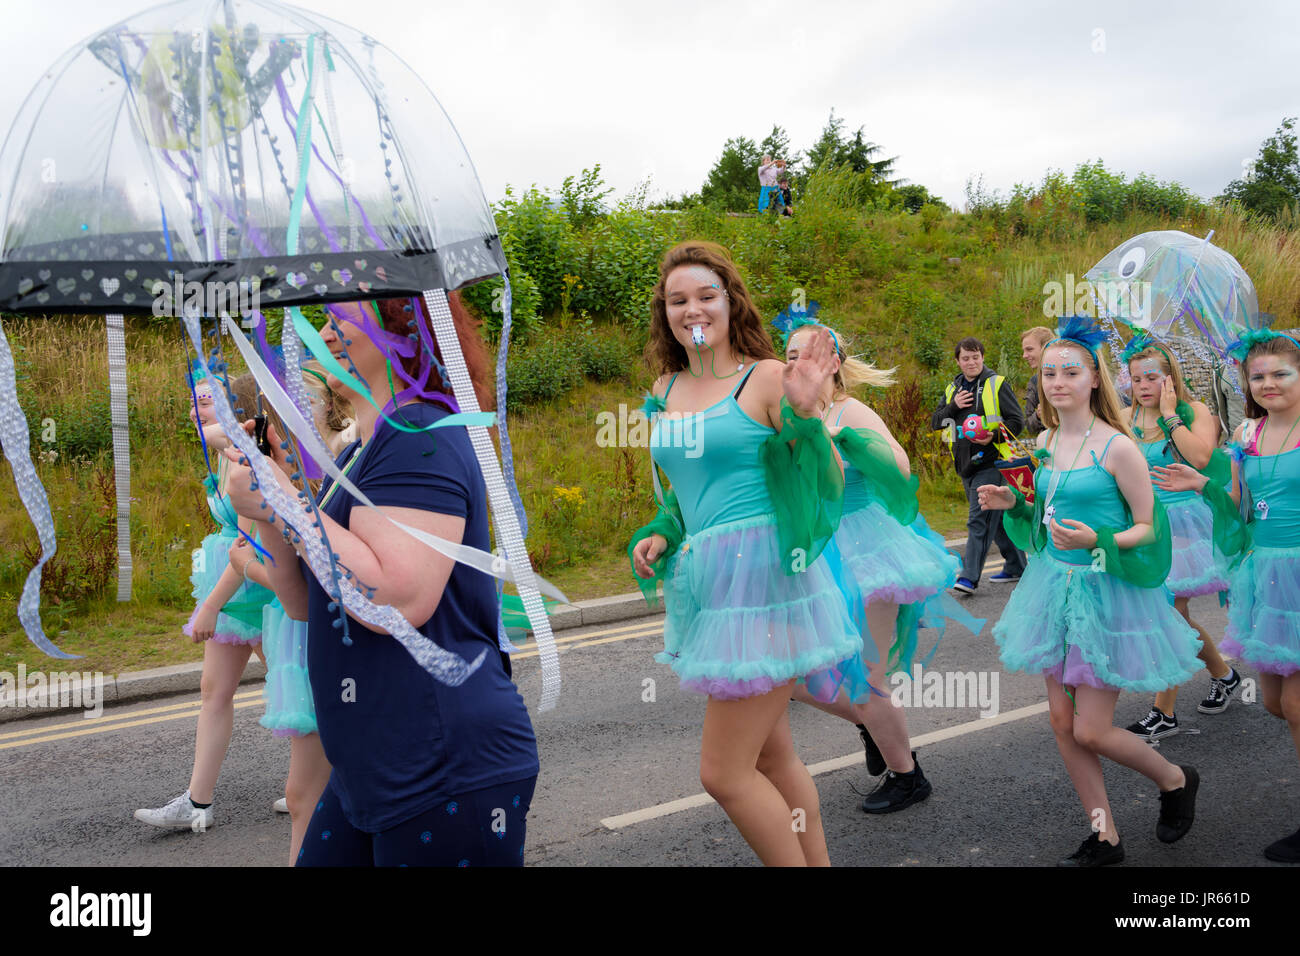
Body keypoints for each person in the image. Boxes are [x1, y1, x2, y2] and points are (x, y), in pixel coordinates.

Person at [223, 294, 539, 867]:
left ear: (402, 323)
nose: (323, 332)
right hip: (370, 766)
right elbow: (304, 601)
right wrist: (269, 507)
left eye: (338, 316)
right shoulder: (364, 451)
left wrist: (289, 501)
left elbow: (399, 597)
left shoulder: (421, 432)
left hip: (441, 765)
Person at [630, 241, 861, 866]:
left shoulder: (763, 378)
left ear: (732, 304)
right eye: (678, 300)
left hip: (764, 578)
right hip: (711, 583)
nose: (692, 309)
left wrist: (809, 414)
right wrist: (662, 532)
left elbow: (825, 478)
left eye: (706, 295)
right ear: (665, 313)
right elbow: (682, 495)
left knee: (724, 774)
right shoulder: (665, 386)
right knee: (772, 756)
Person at [978, 317, 1203, 867]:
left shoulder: (1118, 447)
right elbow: (1047, 518)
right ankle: (1104, 835)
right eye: (1050, 372)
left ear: (1094, 380)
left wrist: (1099, 538)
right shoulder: (1046, 442)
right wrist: (1019, 506)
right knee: (1061, 723)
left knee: (1093, 729)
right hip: (1054, 587)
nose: (1057, 382)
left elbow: (1149, 529)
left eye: (1070, 372)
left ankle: (1175, 779)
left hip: (1106, 593)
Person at [782, 321, 975, 813]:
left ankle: (908, 776)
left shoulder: (851, 411)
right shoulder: (786, 416)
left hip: (869, 548)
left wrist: (849, 442)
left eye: (805, 354)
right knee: (791, 675)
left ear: (833, 363)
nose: (793, 362)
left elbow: (902, 470)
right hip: (816, 552)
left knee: (870, 677)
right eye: (788, 354)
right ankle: (871, 723)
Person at [1155, 329, 1300, 863]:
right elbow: (1238, 509)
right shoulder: (1249, 434)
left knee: (1296, 704)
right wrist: (1203, 486)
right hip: (1266, 576)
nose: (1268, 383)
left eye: (1281, 373)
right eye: (1258, 376)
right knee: (1273, 704)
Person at [134, 372, 274, 831]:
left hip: (264, 591)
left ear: (237, 408)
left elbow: (254, 545)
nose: (195, 412)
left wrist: (209, 606)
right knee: (214, 693)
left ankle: (323, 786)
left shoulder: (250, 457)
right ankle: (197, 804)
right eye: (193, 403)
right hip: (233, 585)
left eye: (206, 403)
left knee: (300, 694)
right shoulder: (221, 455)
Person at [242, 366, 357, 862]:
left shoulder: (344, 458)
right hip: (308, 631)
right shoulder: (295, 470)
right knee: (306, 793)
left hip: (342, 641)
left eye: (296, 406)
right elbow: (294, 588)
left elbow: (331, 575)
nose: (284, 422)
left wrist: (249, 559)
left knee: (309, 792)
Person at [1120, 336, 1239, 741]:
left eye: (1152, 377)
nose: (1143, 386)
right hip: (1143, 524)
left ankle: (1164, 712)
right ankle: (1224, 674)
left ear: (1171, 379)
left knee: (1167, 609)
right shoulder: (1124, 418)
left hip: (1186, 524)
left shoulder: (1194, 411)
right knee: (1177, 615)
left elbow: (1201, 458)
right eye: (1136, 379)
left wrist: (1171, 416)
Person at [930, 336, 1027, 593]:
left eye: (976, 357)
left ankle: (969, 577)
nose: (971, 362)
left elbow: (1018, 421)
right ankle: (1017, 565)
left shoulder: (996, 384)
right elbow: (935, 422)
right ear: (958, 361)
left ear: (982, 358)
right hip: (965, 465)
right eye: (966, 358)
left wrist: (992, 436)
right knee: (993, 518)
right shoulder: (953, 390)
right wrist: (953, 406)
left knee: (978, 520)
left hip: (992, 462)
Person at [1021, 326, 1054, 436]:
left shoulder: (1072, 377)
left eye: (1029, 349)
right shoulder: (1034, 382)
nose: (1024, 356)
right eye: (1024, 351)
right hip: (1050, 445)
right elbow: (1029, 426)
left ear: (1046, 347)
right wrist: (1038, 415)